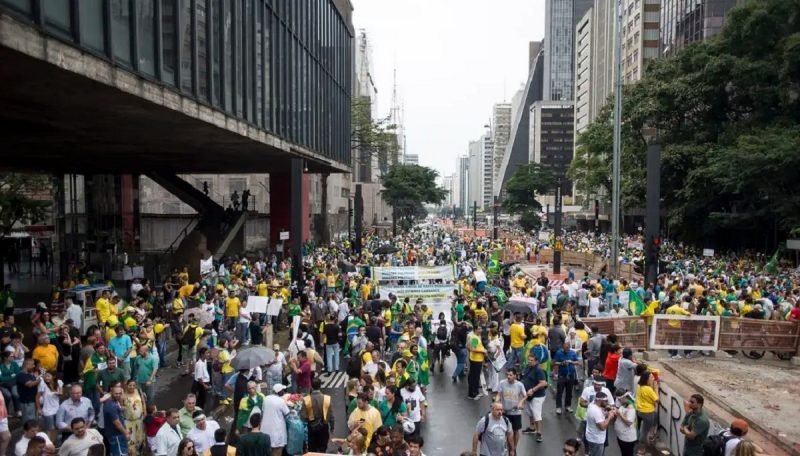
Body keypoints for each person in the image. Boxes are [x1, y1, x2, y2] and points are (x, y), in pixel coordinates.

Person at [300, 378, 334, 453]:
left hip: (311, 427)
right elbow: (331, 415)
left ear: (311, 386)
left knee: (312, 449)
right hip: (324, 427)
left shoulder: (307, 399)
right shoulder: (326, 399)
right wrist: (332, 427)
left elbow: (303, 416)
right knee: (322, 448)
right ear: (320, 386)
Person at [518, 353, 546, 442]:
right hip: (528, 395)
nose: (529, 362)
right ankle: (531, 427)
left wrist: (533, 390)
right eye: (529, 360)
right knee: (529, 412)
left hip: (537, 396)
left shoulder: (538, 370)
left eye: (531, 360)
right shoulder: (527, 367)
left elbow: (543, 383)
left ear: (536, 361)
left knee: (536, 414)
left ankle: (539, 433)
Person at [494, 368, 525, 448]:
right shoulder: (502, 383)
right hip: (505, 412)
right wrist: (496, 402)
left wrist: (521, 402)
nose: (508, 376)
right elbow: (499, 394)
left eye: (510, 375)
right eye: (507, 374)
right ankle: (508, 447)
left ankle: (514, 448)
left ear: (515, 375)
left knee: (515, 430)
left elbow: (525, 396)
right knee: (505, 430)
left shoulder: (520, 385)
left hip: (516, 412)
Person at [260, 383, 290, 456]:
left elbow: (263, 411)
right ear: (279, 392)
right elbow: (287, 413)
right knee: (277, 452)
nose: (284, 391)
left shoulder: (266, 398)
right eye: (283, 390)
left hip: (265, 431)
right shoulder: (280, 401)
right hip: (277, 432)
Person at [552, 341, 579, 415]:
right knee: (560, 392)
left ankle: (568, 405)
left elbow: (577, 362)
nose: (566, 350)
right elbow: (554, 362)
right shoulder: (559, 353)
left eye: (567, 348)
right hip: (562, 375)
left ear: (569, 348)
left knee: (569, 391)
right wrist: (561, 363)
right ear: (563, 347)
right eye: (565, 348)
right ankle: (558, 407)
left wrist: (571, 362)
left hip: (571, 375)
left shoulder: (572, 353)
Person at [585, 391, 615, 456]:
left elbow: (599, 415)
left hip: (591, 437)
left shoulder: (592, 404)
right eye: (605, 401)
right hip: (596, 440)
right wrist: (609, 417)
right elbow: (603, 427)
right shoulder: (596, 411)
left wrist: (605, 413)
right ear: (599, 401)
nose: (607, 403)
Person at [121, 379, 146, 456]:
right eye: (130, 385)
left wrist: (145, 412)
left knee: (140, 439)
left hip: (139, 420)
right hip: (128, 422)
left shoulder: (138, 391)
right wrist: (125, 408)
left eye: (133, 385)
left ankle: (141, 453)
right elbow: (120, 407)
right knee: (131, 441)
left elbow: (143, 402)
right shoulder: (123, 395)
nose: (132, 387)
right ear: (126, 386)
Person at [36, 371, 62, 441]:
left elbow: (61, 392)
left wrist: (58, 392)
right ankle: (47, 443)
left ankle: (52, 442)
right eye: (46, 376)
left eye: (48, 376)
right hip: (47, 410)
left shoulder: (59, 382)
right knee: (50, 429)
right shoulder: (43, 384)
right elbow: (37, 397)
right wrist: (38, 408)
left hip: (57, 409)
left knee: (56, 427)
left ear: (53, 377)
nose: (46, 378)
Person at [103, 385, 129, 456]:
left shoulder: (114, 402)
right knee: (121, 454)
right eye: (116, 393)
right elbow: (117, 423)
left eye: (120, 393)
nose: (118, 395)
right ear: (111, 393)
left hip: (117, 435)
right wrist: (126, 433)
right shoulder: (111, 406)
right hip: (116, 435)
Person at [635, 371, 659, 444]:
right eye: (651, 377)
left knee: (655, 417)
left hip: (640, 411)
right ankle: (641, 449)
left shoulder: (640, 386)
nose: (653, 378)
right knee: (645, 432)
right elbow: (657, 400)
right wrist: (656, 388)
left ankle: (651, 435)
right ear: (646, 379)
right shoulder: (648, 389)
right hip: (648, 412)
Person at [613, 390, 637, 456]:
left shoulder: (630, 407)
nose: (618, 401)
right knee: (623, 453)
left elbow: (629, 422)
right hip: (621, 436)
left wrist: (619, 414)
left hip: (627, 438)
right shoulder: (623, 404)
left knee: (627, 454)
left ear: (624, 397)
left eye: (619, 399)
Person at [17, 359, 41, 425]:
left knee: (35, 421)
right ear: (27, 365)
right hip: (27, 402)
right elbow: (30, 384)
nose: (34, 366)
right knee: (29, 422)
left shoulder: (30, 375)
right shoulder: (21, 375)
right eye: (32, 364)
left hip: (33, 401)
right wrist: (40, 379)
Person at [467, 325, 486, 400]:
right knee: (475, 377)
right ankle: (473, 393)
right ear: (475, 330)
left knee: (474, 376)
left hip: (477, 359)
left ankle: (473, 392)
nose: (480, 330)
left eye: (481, 328)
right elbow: (473, 349)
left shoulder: (476, 337)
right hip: (476, 360)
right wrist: (483, 351)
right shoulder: (474, 337)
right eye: (479, 329)